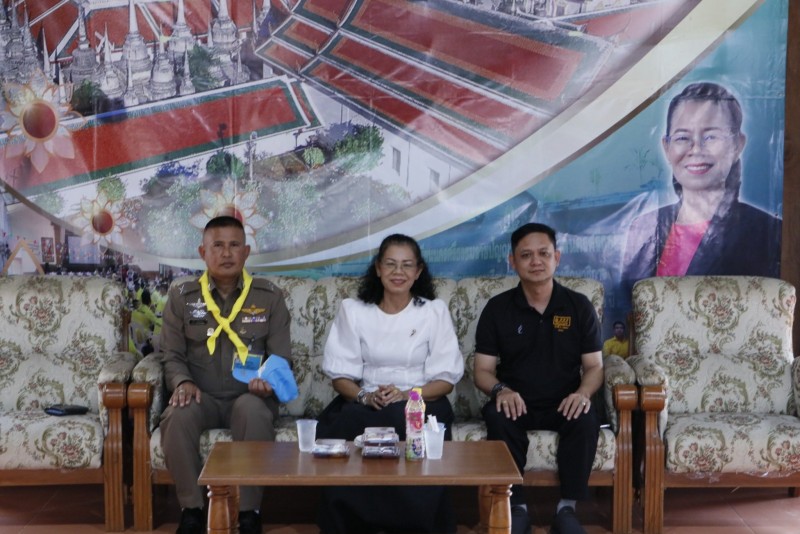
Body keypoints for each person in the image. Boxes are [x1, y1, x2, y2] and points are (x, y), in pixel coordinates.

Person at [316, 233, 464, 534]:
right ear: (378, 268)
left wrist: (407, 395)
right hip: (366, 398)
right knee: (347, 423)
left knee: (402, 420)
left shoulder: (433, 311)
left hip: (421, 399)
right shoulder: (354, 310)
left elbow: (445, 382)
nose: (399, 272)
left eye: (407, 265)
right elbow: (340, 377)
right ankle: (352, 525)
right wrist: (365, 396)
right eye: (391, 264)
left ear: (418, 272)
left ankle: (410, 525)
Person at [158, 215, 292, 534]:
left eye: (234, 245)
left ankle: (249, 513)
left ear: (246, 252)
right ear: (203, 252)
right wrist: (182, 382)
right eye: (217, 245)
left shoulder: (268, 296)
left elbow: (281, 357)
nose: (227, 253)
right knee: (177, 416)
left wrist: (268, 382)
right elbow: (171, 354)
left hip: (249, 397)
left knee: (253, 412)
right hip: (200, 396)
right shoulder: (182, 297)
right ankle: (192, 510)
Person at [474, 223, 603, 534]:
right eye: (526, 255)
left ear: (556, 258)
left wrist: (582, 393)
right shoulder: (497, 308)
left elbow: (595, 367)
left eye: (544, 254)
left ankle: (566, 509)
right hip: (516, 402)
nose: (536, 261)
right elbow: (482, 371)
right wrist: (501, 390)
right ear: (512, 261)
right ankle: (516, 508)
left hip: (564, 402)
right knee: (497, 416)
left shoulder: (579, 306)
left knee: (586, 418)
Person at [621, 82, 781, 289]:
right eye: (682, 138)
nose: (696, 149)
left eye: (710, 137)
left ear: (737, 144)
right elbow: (625, 301)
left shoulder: (767, 233)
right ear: (666, 147)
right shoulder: (643, 227)